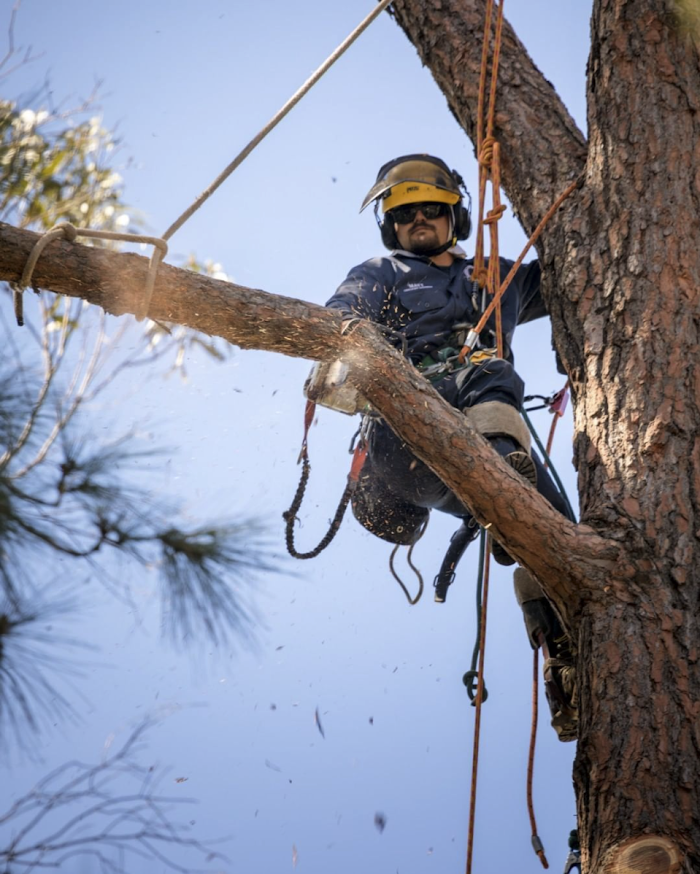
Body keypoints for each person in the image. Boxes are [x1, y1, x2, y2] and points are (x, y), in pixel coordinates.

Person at [325, 154, 577, 740]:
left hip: (486, 431)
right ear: (390, 225)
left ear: (454, 217)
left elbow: (576, 267)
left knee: (561, 527)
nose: (418, 219)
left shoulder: (496, 274)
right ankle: (503, 481)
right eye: (405, 213)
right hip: (407, 430)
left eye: (431, 210)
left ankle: (567, 658)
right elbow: (340, 317)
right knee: (489, 370)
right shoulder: (382, 272)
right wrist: (346, 350)